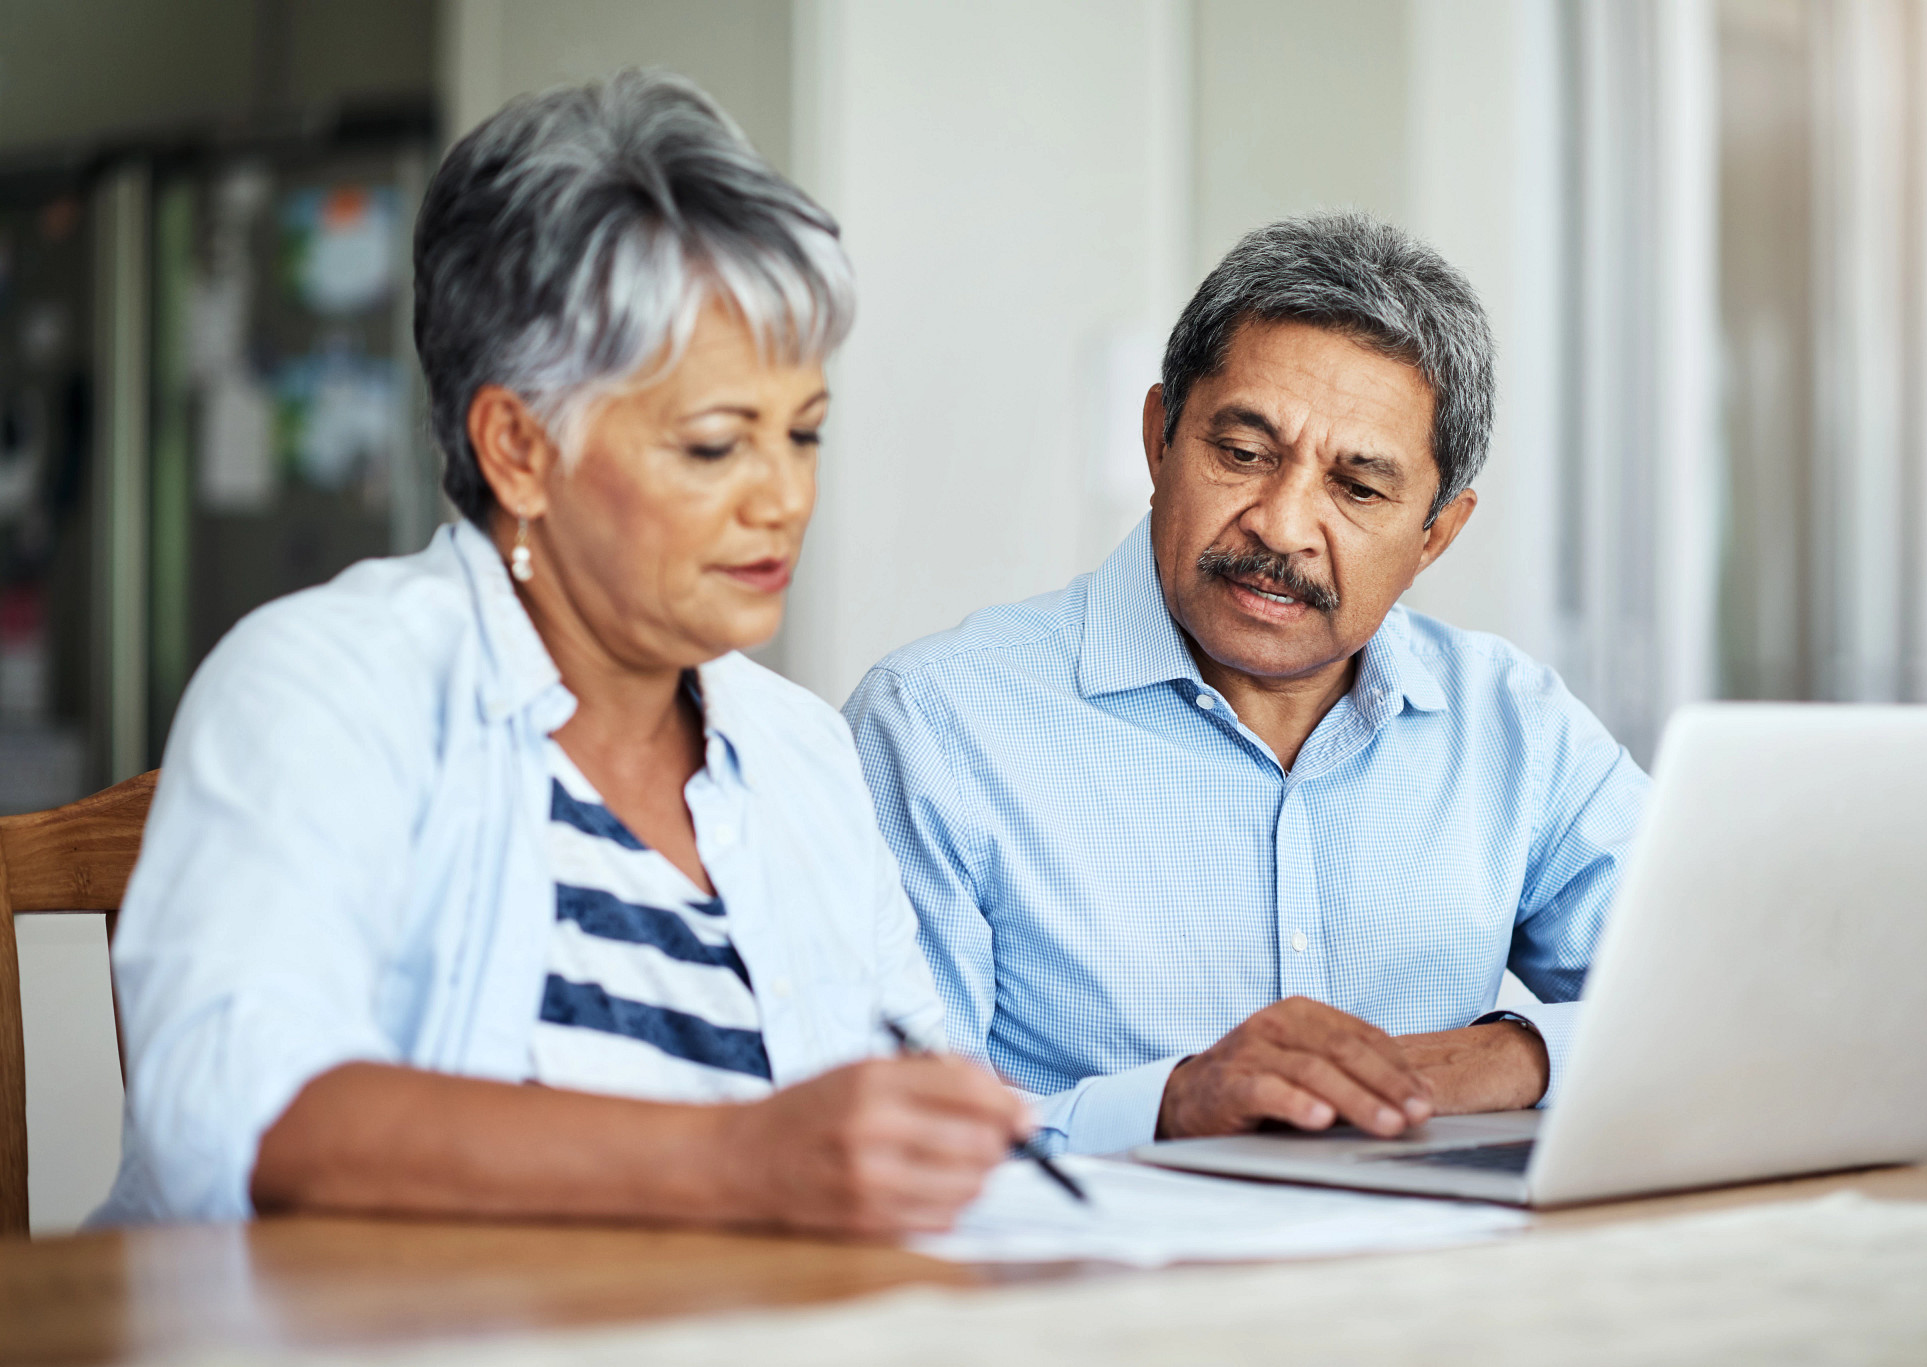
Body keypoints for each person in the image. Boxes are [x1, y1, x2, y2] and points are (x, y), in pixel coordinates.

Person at [97, 71, 1029, 1233]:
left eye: (803, 433)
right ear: (518, 449)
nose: (783, 497)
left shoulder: (801, 752)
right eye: (712, 445)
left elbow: (909, 1105)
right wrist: (738, 1159)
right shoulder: (325, 683)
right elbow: (231, 1117)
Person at [844, 212, 1649, 1156]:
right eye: (1244, 453)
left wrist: (1520, 1057)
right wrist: (1167, 1106)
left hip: (1438, 1284)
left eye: (1358, 487)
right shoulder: (936, 725)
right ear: (1159, 440)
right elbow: (878, 1137)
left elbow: (1728, 1002)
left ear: (1436, 533)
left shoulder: (1514, 725)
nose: (1282, 525)